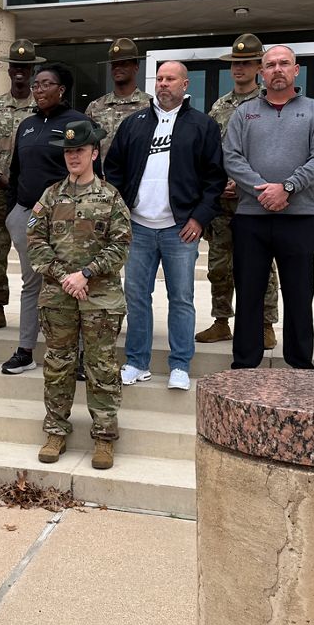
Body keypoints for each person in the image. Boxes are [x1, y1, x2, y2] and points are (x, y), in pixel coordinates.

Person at [104, 60, 226, 390]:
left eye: (170, 79)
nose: (163, 84)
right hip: (138, 228)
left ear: (185, 85)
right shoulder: (134, 123)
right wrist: (121, 214)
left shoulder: (202, 125)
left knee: (181, 298)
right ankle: (136, 362)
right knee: (136, 297)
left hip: (179, 229)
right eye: (159, 78)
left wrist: (199, 218)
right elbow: (113, 171)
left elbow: (215, 178)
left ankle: (180, 364)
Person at [223, 45, 314, 371]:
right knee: (248, 293)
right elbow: (232, 156)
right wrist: (262, 189)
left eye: (284, 63)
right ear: (262, 72)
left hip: (298, 218)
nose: (277, 69)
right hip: (251, 219)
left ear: (296, 70)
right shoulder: (244, 113)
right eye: (270, 65)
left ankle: (300, 363)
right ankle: (245, 363)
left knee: (299, 294)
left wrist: (287, 187)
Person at [28, 120, 131, 469]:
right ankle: (56, 431)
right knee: (58, 365)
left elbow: (121, 245)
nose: (73, 157)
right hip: (58, 298)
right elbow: (35, 242)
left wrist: (85, 274)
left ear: (94, 153)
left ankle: (104, 437)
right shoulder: (50, 197)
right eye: (69, 151)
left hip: (100, 298)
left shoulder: (110, 197)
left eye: (80, 150)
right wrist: (65, 277)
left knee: (101, 367)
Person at [3, 62, 96, 375]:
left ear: (62, 89)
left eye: (46, 84)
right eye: (36, 84)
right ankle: (25, 350)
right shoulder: (27, 125)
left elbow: (88, 170)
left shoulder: (78, 122)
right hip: (27, 216)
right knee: (32, 283)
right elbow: (16, 171)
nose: (39, 89)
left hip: (65, 218)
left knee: (71, 284)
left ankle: (78, 355)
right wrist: (14, 212)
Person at [195, 34, 281, 351]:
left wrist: (244, 182)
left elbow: (275, 153)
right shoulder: (220, 106)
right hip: (222, 204)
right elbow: (210, 153)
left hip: (255, 200)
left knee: (262, 265)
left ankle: (265, 324)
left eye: (246, 63)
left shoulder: (270, 104)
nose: (239, 68)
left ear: (259, 67)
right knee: (219, 266)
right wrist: (217, 183)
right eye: (235, 63)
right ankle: (221, 321)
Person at [0, 39, 41, 332]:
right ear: (8, 70)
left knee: (38, 251)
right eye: (15, 66)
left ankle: (41, 308)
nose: (20, 71)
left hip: (32, 196)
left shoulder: (42, 108)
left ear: (32, 71)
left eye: (25, 67)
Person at [84, 38, 149, 161]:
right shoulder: (95, 107)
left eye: (124, 63)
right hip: (102, 172)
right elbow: (86, 145)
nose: (118, 68)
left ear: (136, 67)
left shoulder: (150, 105)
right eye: (114, 64)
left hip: (135, 171)